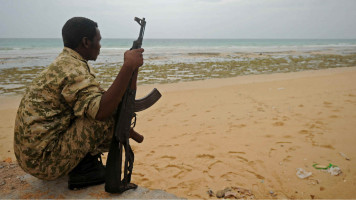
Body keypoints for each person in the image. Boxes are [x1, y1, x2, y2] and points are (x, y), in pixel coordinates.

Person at [13, 17, 144, 189]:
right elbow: (101, 111)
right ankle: (85, 171)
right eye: (98, 40)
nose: (100, 46)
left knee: (105, 111)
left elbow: (98, 99)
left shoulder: (66, 63)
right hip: (43, 162)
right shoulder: (74, 70)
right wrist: (127, 67)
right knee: (101, 120)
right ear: (85, 42)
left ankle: (82, 165)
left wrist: (132, 69)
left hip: (30, 156)